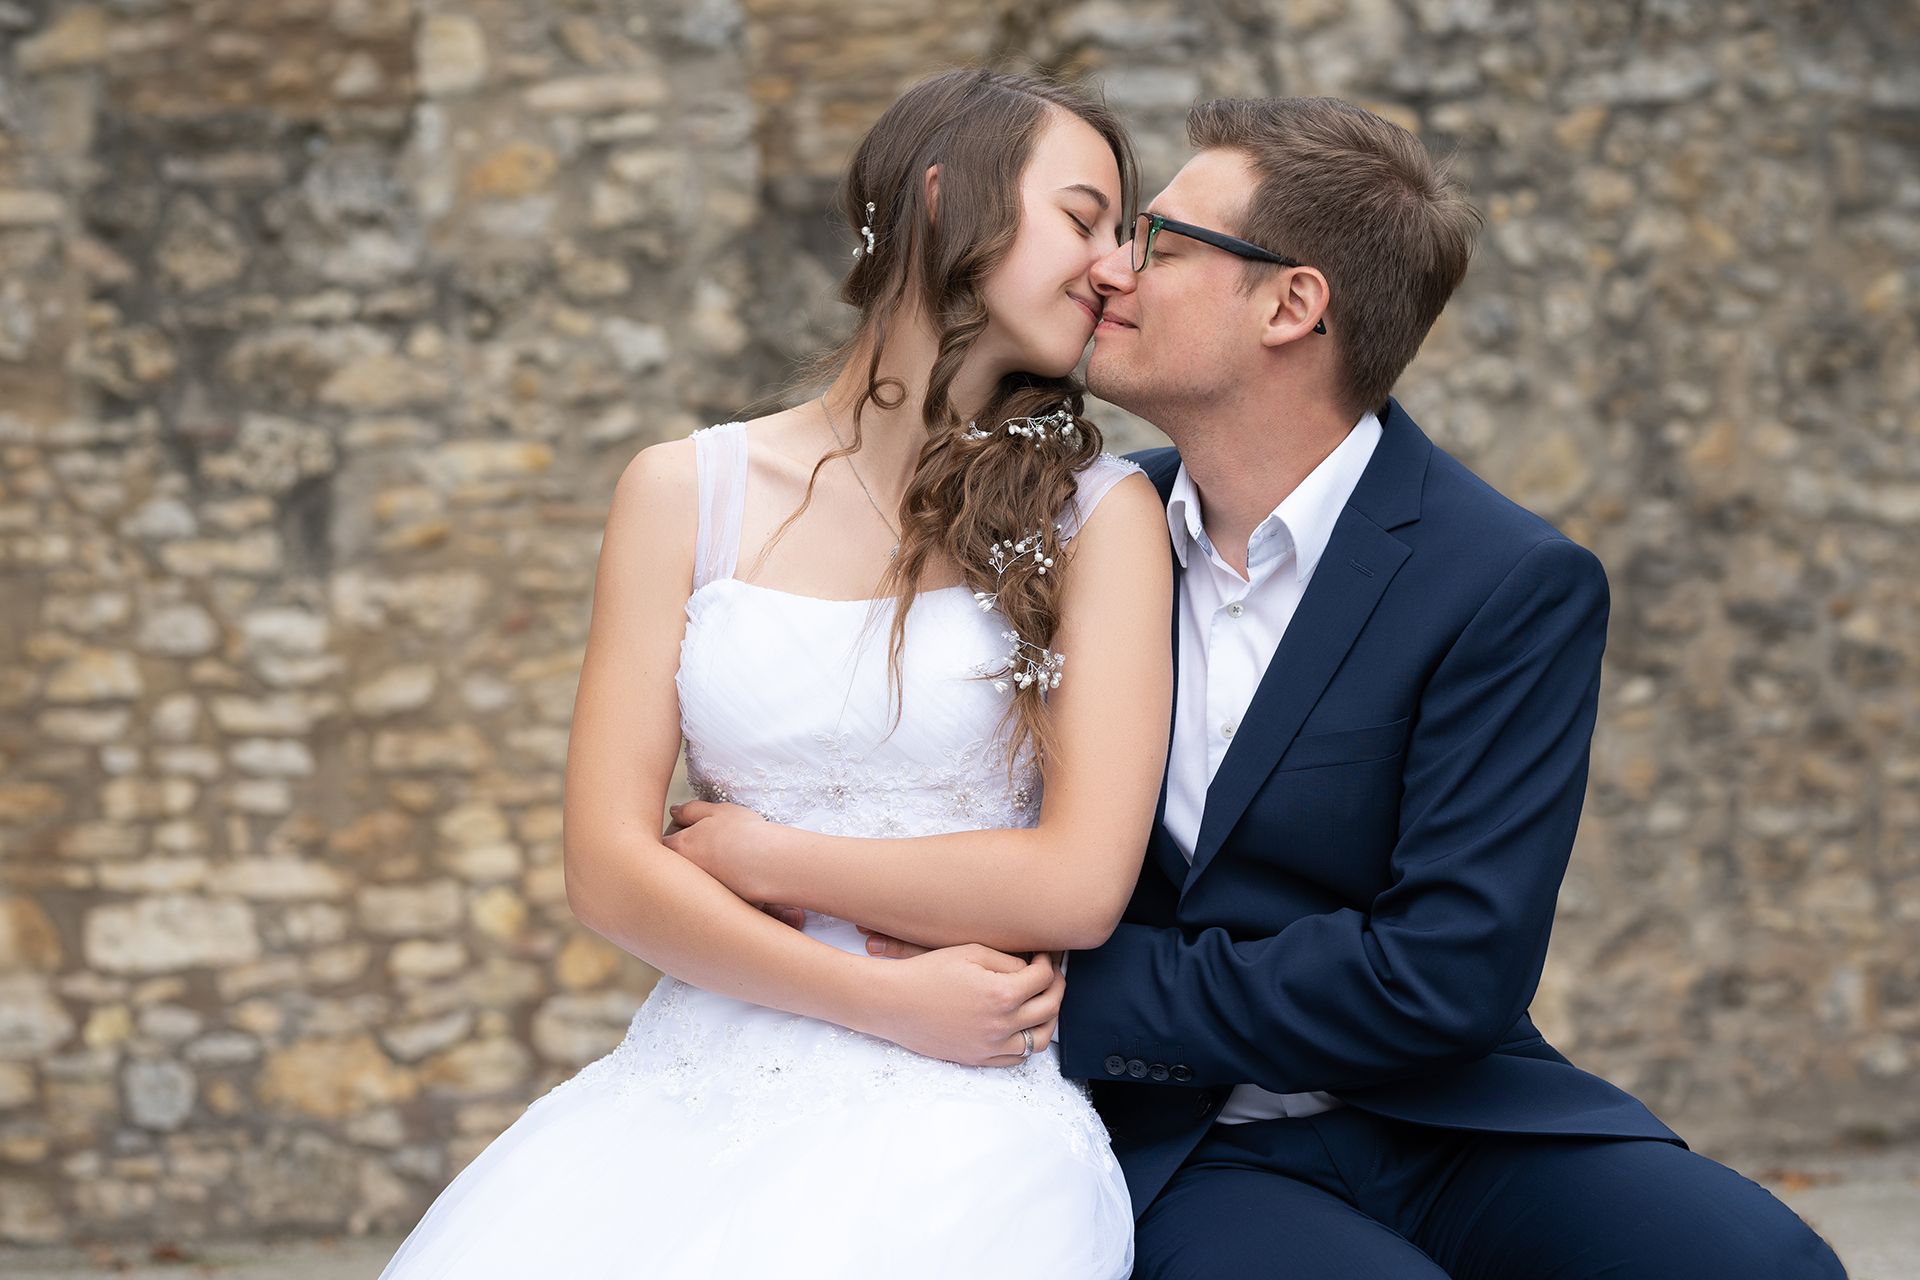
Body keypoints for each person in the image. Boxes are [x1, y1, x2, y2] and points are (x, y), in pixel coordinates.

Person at [838, 96, 1850, 1277]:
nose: (1115, 269)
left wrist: (1073, 991)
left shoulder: (1509, 581)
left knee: (1761, 1263)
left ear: (1291, 302)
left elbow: (1445, 970)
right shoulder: (1066, 539)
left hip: (1446, 1115)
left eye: (1161, 242)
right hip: (1181, 1141)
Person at [374, 68, 1172, 1280]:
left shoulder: (1099, 516)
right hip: (695, 1083)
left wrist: (775, 859)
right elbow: (608, 866)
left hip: (965, 1118)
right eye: (1085, 218)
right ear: (946, 203)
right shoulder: (680, 493)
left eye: (1123, 232)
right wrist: (879, 999)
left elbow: (1076, 883)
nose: (1118, 267)